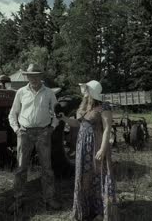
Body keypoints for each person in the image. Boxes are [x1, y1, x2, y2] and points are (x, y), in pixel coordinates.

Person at [58, 80, 118, 221]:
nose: (83, 91)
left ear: (92, 92)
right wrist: (64, 118)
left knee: (99, 175)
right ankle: (85, 210)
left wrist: (103, 149)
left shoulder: (104, 107)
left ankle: (101, 212)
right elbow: (76, 123)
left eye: (86, 89)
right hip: (83, 146)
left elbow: (107, 128)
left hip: (97, 145)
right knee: (84, 176)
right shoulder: (83, 107)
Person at [8, 63, 61, 212]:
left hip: (43, 133)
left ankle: (49, 198)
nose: (33, 78)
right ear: (27, 76)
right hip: (24, 133)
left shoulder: (49, 93)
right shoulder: (20, 92)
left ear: (40, 76)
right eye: (30, 75)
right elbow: (13, 114)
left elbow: (58, 113)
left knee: (47, 168)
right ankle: (18, 199)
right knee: (21, 168)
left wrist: (51, 128)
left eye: (36, 75)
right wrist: (17, 130)